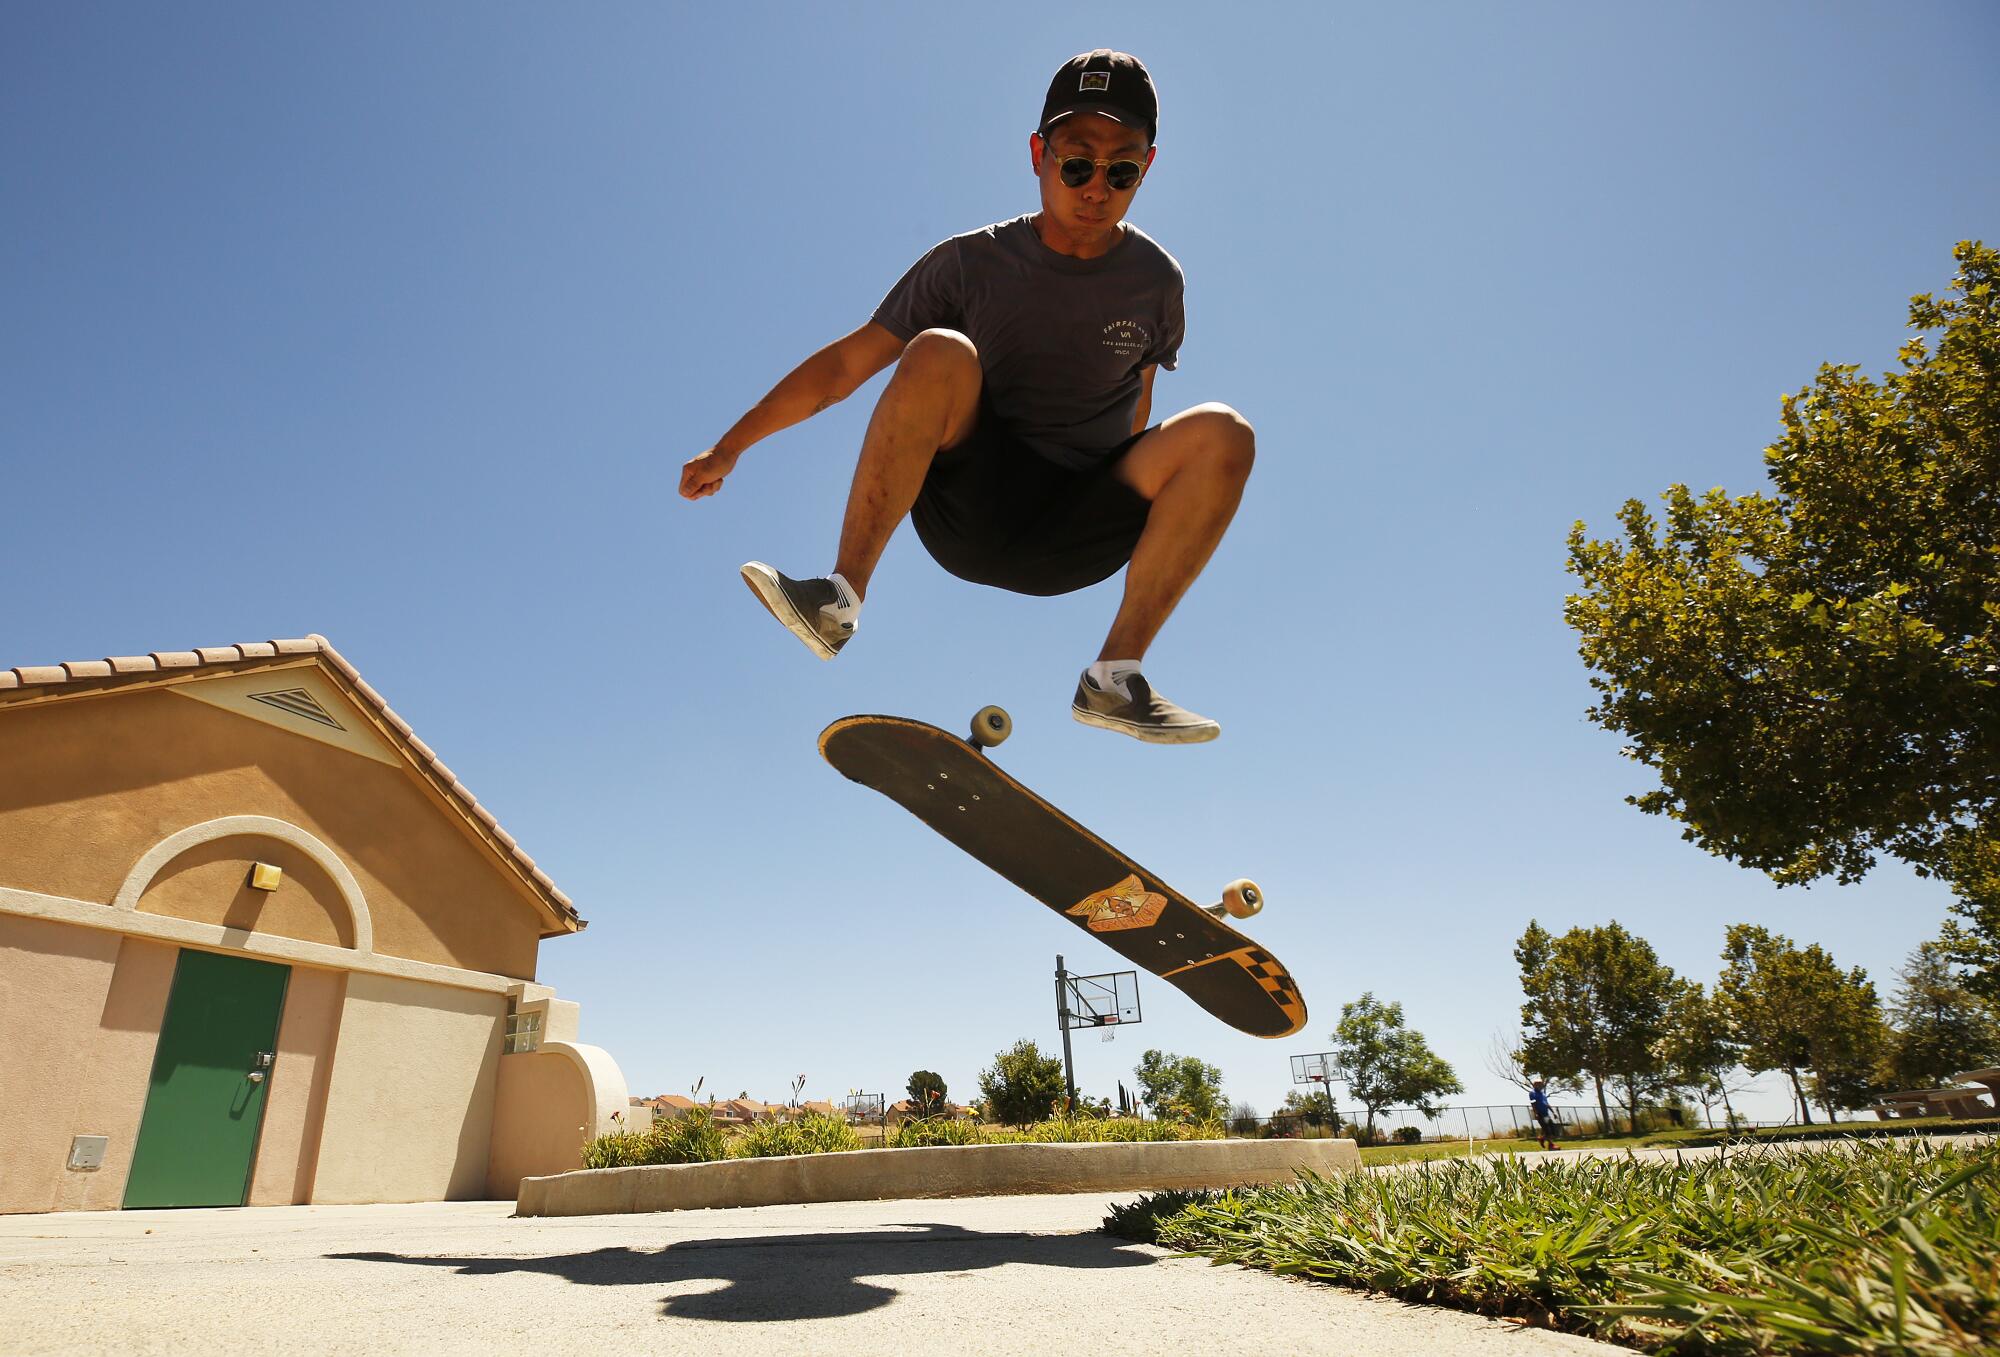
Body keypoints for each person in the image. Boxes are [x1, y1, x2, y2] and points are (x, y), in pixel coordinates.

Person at [679, 50, 1254, 744]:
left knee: (1225, 432)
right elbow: (845, 367)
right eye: (1076, 164)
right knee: (938, 352)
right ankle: (840, 599)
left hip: (1078, 525)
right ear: (1039, 153)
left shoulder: (1157, 281)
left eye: (1121, 172)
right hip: (973, 507)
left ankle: (1114, 678)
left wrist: (1143, 505)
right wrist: (731, 445)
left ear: (1146, 169)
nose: (1096, 189)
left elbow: (1138, 402)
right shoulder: (968, 264)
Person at [1529, 1077, 1561, 1150]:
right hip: (1540, 1114)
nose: (1542, 1086)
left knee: (1553, 1130)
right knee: (1547, 1130)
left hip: (1546, 1114)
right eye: (1540, 1084)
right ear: (1535, 1085)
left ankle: (1542, 1139)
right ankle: (1551, 1145)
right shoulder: (1532, 1093)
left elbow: (1546, 1103)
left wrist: (1553, 1112)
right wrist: (1536, 1113)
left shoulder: (1542, 1094)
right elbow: (1533, 1104)